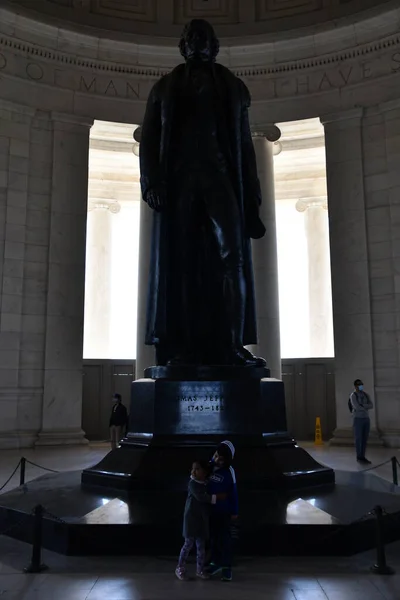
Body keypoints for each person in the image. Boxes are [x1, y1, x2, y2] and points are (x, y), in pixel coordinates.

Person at [140, 18, 266, 368]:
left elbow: (244, 146)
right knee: (182, 263)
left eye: (204, 37)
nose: (197, 42)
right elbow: (149, 139)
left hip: (220, 179)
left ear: (214, 45)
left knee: (233, 259)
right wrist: (151, 182)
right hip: (179, 183)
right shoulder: (164, 88)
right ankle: (184, 346)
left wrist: (253, 201)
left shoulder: (232, 88)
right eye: (191, 37)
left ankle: (233, 344)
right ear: (183, 46)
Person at [175, 460, 225, 581]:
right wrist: (216, 497)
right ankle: (180, 568)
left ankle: (200, 569)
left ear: (204, 472)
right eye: (193, 468)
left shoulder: (205, 483)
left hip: (201, 520)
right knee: (188, 544)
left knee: (201, 546)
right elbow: (201, 497)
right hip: (192, 519)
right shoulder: (193, 483)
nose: (194, 471)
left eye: (197, 469)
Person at [207, 440, 238, 582]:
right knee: (213, 538)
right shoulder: (210, 467)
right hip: (211, 511)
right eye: (216, 456)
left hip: (223, 512)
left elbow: (233, 493)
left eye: (221, 459)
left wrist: (234, 511)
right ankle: (215, 562)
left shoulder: (229, 472)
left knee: (225, 539)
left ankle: (226, 567)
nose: (218, 459)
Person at [350, 379, 373, 464]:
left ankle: (363, 456)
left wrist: (363, 406)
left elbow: (371, 405)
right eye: (359, 385)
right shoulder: (353, 395)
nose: (360, 386)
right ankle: (359, 456)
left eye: (361, 385)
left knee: (364, 438)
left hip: (366, 418)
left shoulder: (366, 395)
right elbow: (356, 407)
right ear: (355, 386)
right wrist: (365, 407)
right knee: (359, 438)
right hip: (358, 419)